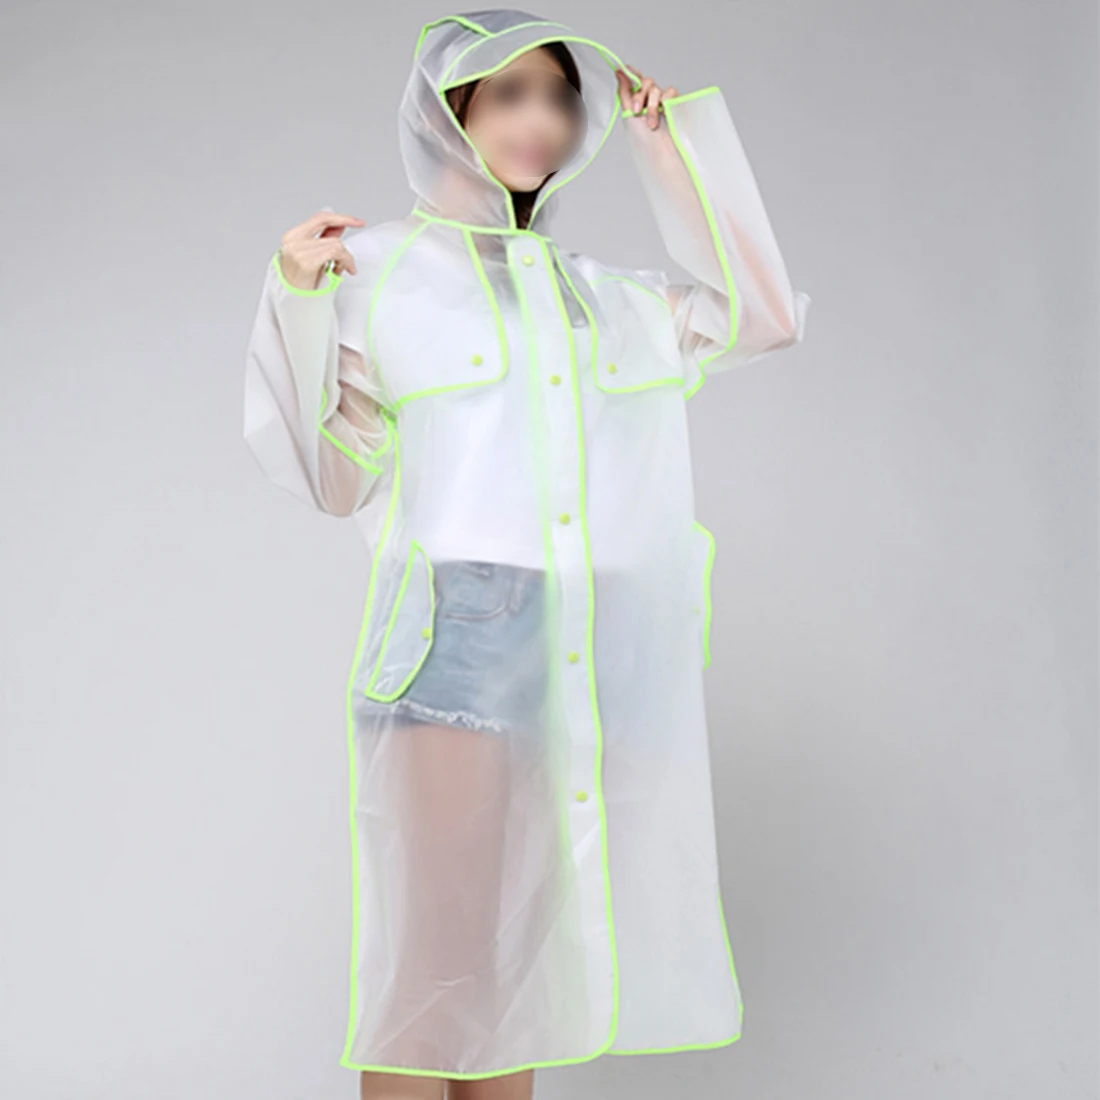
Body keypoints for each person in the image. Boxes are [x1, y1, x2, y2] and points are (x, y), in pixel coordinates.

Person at [242, 10, 809, 1100]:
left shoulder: (596, 294)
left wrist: (671, 152)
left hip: (582, 643)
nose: (541, 120)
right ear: (449, 113)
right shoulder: (375, 268)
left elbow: (761, 317)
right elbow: (331, 476)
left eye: (557, 96)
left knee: (526, 967)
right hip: (458, 633)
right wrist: (298, 300)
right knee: (438, 958)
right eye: (508, 95)